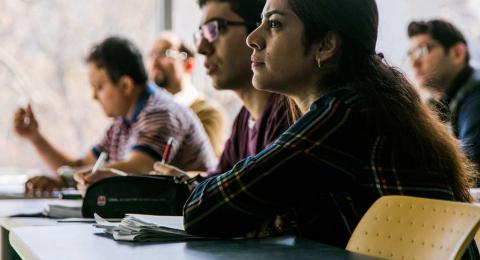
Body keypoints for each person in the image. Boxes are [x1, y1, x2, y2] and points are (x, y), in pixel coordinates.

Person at [182, 0, 478, 257]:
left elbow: (201, 211)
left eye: (274, 24)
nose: (253, 38)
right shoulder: (369, 101)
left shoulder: (344, 113)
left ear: (325, 45)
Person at [13, 36, 216, 195]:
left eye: (99, 87)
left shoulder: (161, 113)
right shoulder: (123, 122)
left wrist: (66, 178)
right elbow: (79, 167)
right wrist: (36, 139)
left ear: (126, 85)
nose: (93, 96)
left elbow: (139, 169)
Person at [153, 0, 297, 180]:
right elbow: (219, 179)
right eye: (201, 34)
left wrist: (189, 185)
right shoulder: (244, 119)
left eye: (215, 29)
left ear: (256, 31)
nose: (201, 48)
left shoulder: (289, 114)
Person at [407, 19, 480, 172]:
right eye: (410, 54)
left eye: (422, 50)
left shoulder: (476, 97)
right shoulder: (445, 100)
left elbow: (472, 171)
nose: (414, 62)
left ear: (457, 53)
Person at [149, 32, 227, 158]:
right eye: (152, 54)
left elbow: (208, 171)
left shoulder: (208, 113)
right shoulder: (147, 114)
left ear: (189, 64)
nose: (155, 61)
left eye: (165, 53)